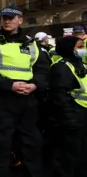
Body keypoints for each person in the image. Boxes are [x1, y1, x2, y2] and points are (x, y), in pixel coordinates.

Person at [0, 5, 49, 177]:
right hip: (2, 99)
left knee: (32, 141)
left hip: (27, 99)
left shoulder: (31, 42)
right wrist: (9, 85)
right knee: (1, 143)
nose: (7, 21)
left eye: (11, 18)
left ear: (20, 20)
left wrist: (34, 85)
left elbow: (42, 69)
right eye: (4, 18)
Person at [49, 36, 87, 176]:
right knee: (70, 154)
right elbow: (59, 96)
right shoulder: (62, 67)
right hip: (74, 115)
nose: (82, 50)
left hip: (83, 113)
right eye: (79, 47)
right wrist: (69, 117)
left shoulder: (82, 65)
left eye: (82, 47)